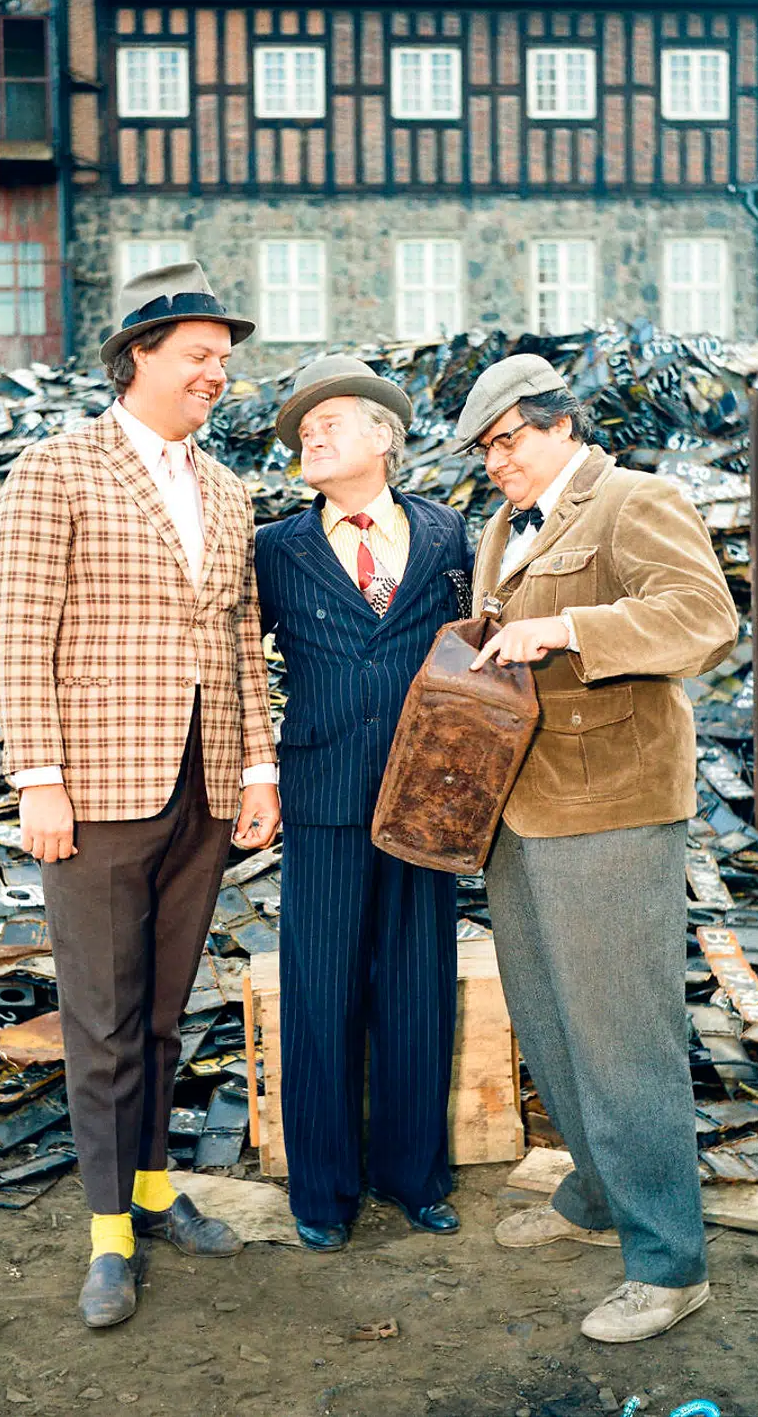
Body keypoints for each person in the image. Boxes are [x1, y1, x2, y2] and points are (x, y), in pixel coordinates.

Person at [0, 261, 280, 1329]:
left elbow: (239, 638)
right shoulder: (56, 469)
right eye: (199, 354)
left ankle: (154, 1190)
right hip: (96, 788)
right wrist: (39, 778)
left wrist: (256, 768)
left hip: (203, 786)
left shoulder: (231, 490)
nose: (218, 372)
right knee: (101, 1017)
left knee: (161, 1008)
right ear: (139, 356)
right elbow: (17, 630)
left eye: (224, 358)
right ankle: (109, 1235)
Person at [455, 354, 738, 1344]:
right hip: (520, 812)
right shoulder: (500, 528)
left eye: (511, 440)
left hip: (613, 807)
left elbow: (706, 620)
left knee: (623, 1033)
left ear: (564, 424)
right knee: (551, 1022)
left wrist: (568, 627)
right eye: (485, 451)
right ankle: (601, 1192)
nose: (498, 464)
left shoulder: (633, 501)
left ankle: (670, 1268)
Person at [254, 356, 473, 1251]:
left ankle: (414, 1177)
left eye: (332, 419)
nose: (311, 433)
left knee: (420, 989)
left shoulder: (450, 534)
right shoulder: (275, 548)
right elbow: (235, 666)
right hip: (324, 795)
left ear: (384, 436)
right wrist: (250, 775)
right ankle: (323, 1193)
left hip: (429, 800)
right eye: (302, 429)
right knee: (320, 993)